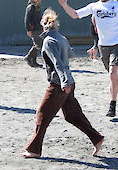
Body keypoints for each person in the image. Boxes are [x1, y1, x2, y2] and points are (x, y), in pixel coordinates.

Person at [21, 9, 104, 158]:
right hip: (69, 81)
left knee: (42, 114)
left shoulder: (48, 41)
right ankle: (97, 138)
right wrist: (67, 81)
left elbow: (58, 63)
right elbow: (70, 55)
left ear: (43, 24)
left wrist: (64, 82)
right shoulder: (62, 38)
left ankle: (33, 149)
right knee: (73, 115)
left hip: (59, 84)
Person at [57, 0, 118, 117]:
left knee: (112, 74)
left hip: (117, 43)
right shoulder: (94, 6)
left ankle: (112, 105)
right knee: (113, 76)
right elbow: (75, 14)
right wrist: (64, 5)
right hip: (103, 45)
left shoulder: (117, 5)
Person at [24, 0, 44, 67]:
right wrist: (28, 30)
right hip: (34, 29)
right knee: (38, 45)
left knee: (38, 44)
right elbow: (27, 19)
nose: (40, 0)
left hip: (38, 28)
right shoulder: (31, 7)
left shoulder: (37, 7)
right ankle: (29, 57)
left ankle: (33, 61)